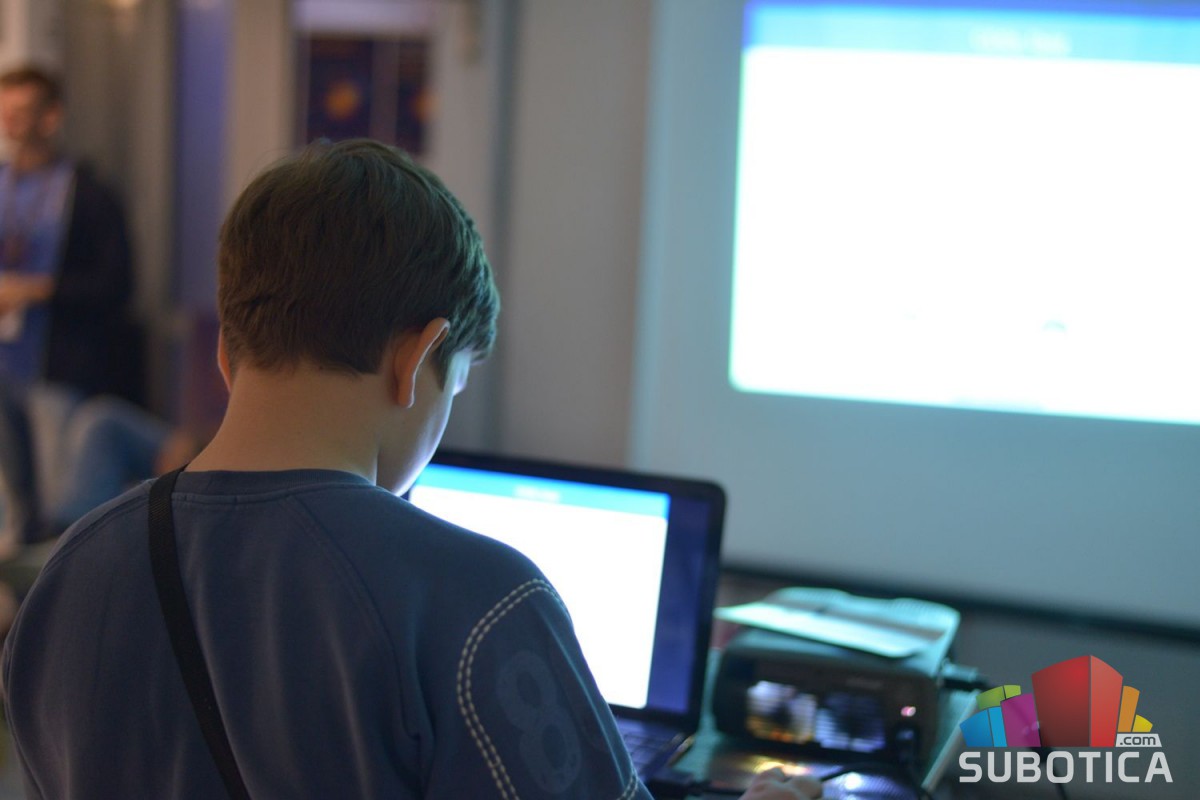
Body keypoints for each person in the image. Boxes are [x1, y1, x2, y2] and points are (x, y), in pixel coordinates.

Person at [1, 139, 821, 800]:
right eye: (452, 386)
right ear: (417, 357)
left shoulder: (73, 571)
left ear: (225, 351)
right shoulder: (476, 597)